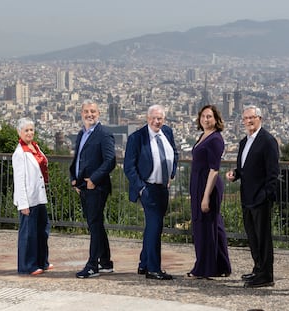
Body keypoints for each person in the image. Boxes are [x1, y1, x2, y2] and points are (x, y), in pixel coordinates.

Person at [225, 105, 279, 288]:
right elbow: (243, 168)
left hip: (260, 198)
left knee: (263, 237)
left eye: (252, 118)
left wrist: (266, 195)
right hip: (247, 197)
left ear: (260, 119)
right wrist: (235, 174)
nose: (249, 121)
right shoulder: (243, 142)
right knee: (252, 236)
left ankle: (266, 274)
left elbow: (273, 173)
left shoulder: (268, 141)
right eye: (246, 118)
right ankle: (258, 269)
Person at [124, 104, 178, 280]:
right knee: (155, 228)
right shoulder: (137, 138)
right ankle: (154, 269)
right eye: (153, 118)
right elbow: (129, 167)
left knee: (152, 228)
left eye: (160, 118)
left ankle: (144, 263)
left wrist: (172, 174)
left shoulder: (167, 132)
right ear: (147, 119)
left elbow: (174, 154)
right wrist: (141, 188)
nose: (157, 121)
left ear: (164, 119)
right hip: (148, 188)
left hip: (163, 188)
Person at [70, 99, 116, 278]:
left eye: (93, 112)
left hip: (96, 187)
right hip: (83, 186)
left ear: (99, 114)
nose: (90, 115)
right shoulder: (83, 133)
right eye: (86, 112)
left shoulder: (103, 134)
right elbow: (79, 158)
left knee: (94, 224)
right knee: (95, 224)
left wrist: (94, 180)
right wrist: (74, 179)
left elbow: (110, 160)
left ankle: (92, 265)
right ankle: (105, 262)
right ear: (81, 114)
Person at [187, 105, 231, 279]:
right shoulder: (204, 136)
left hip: (208, 185)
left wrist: (205, 196)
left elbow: (214, 169)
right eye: (203, 116)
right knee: (214, 226)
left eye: (210, 117)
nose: (206, 119)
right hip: (199, 182)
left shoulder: (215, 140)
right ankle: (221, 264)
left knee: (205, 225)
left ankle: (204, 268)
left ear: (216, 119)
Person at [12, 117, 52, 275]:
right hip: (29, 198)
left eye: (31, 130)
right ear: (19, 132)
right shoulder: (20, 153)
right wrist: (23, 204)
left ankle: (42, 261)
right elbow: (19, 179)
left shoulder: (35, 147)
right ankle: (27, 265)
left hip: (39, 195)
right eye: (26, 130)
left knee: (42, 230)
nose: (29, 133)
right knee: (28, 233)